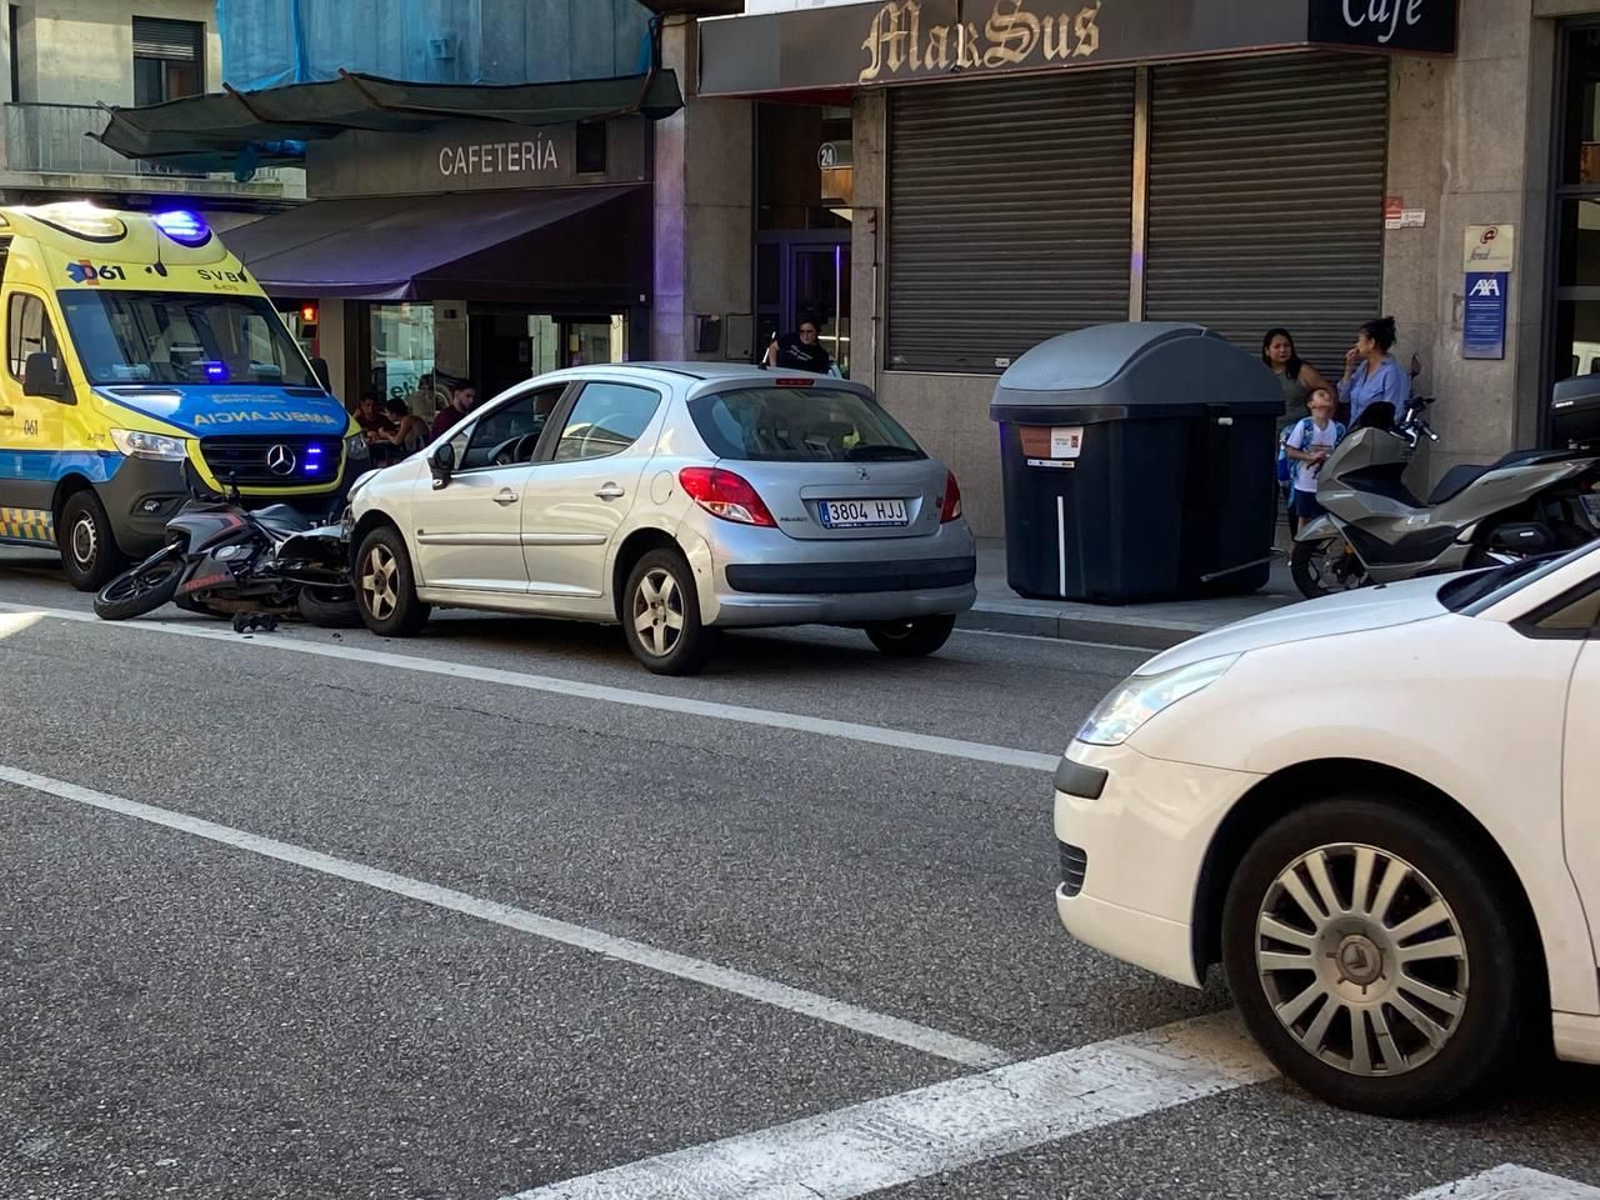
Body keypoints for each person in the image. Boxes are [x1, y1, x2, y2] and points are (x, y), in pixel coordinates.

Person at [1283, 388, 1346, 538]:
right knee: (1304, 518)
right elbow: (1290, 452)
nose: (1327, 396)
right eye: (1321, 395)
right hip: (1305, 482)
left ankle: (1324, 550)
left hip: (1327, 483)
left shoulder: (1338, 428)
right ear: (1311, 404)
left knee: (1327, 520)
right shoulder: (1304, 426)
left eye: (1328, 394)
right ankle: (1300, 548)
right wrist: (1309, 457)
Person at [1339, 316, 1410, 430]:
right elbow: (1343, 397)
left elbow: (1394, 414)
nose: (1356, 345)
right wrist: (1348, 368)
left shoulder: (1393, 373)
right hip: (1354, 432)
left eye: (1359, 340)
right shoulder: (1363, 367)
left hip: (1374, 435)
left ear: (1371, 343)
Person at [1261, 328, 1332, 435]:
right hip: (1268, 432)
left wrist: (1324, 426)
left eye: (1286, 346)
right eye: (1277, 346)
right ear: (1267, 350)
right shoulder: (1261, 372)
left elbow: (1329, 392)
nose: (1282, 350)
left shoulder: (1303, 371)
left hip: (1299, 434)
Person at [763, 314, 832, 374]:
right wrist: (774, 368)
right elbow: (773, 347)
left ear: (816, 332)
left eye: (809, 332)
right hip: (777, 376)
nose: (805, 335)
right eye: (802, 332)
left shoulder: (821, 355)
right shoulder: (791, 338)